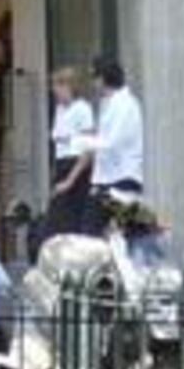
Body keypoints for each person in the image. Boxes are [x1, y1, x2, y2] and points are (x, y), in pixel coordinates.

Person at [85, 55, 145, 209]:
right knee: (91, 229)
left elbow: (112, 142)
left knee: (100, 229)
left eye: (94, 77)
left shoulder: (126, 104)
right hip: (105, 179)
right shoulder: (107, 103)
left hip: (122, 178)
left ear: (104, 77)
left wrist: (82, 142)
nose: (92, 83)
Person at [44, 65, 95, 240]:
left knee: (69, 222)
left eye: (58, 86)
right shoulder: (60, 110)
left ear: (69, 86)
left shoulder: (83, 109)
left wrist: (70, 180)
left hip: (75, 168)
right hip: (61, 165)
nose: (54, 91)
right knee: (56, 223)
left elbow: (87, 150)